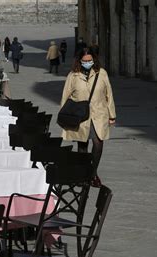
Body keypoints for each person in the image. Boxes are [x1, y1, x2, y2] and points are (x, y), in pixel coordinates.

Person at [60, 47, 116, 188]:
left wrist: (112, 115)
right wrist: (64, 116)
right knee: (82, 145)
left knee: (98, 143)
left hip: (99, 114)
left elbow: (109, 94)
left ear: (94, 60)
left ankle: (93, 173)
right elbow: (65, 96)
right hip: (81, 116)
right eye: (84, 61)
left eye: (90, 60)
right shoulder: (73, 75)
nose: (87, 63)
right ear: (79, 61)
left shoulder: (101, 73)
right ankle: (83, 175)